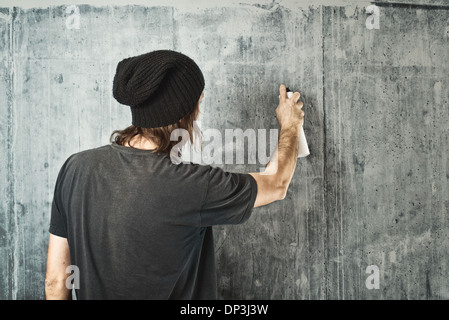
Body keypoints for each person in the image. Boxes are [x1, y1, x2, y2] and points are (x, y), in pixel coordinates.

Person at [45, 50, 305, 300]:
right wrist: (290, 124)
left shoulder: (75, 169)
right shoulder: (193, 185)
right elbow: (277, 183)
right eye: (198, 103)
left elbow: (56, 282)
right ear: (186, 112)